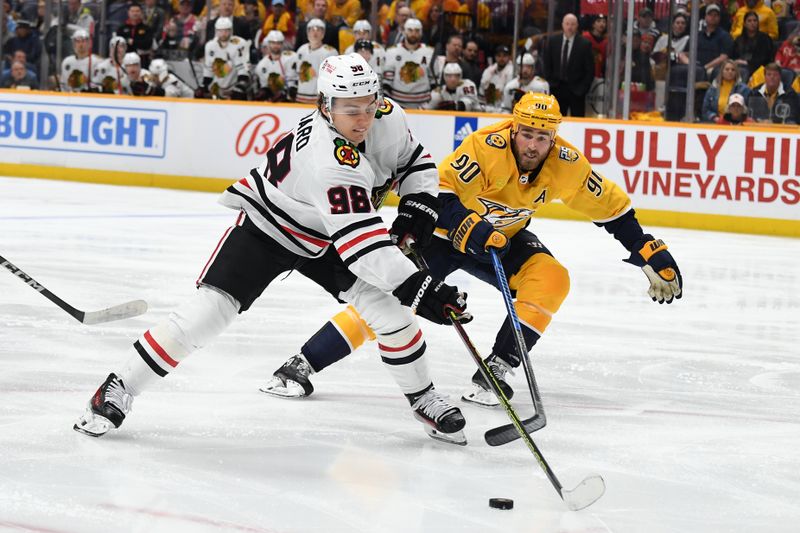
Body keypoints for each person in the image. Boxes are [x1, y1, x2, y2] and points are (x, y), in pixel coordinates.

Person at [73, 53, 470, 446]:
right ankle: (116, 387)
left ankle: (423, 397)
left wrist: (419, 205)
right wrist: (423, 288)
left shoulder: (388, 117)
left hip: (328, 232)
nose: (363, 119)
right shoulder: (328, 159)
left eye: (369, 106)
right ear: (325, 106)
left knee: (389, 312)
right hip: (271, 227)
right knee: (208, 314)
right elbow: (363, 248)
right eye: (351, 110)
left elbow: (415, 162)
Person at [261, 92, 683, 408]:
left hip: (504, 238)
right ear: (514, 129)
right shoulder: (485, 148)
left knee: (552, 278)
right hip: (445, 234)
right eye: (528, 134)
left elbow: (611, 207)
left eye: (544, 137)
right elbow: (435, 192)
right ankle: (305, 361)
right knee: (391, 297)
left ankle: (496, 367)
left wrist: (646, 246)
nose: (534, 145)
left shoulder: (567, 165)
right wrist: (468, 226)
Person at [543, 13, 594, 116]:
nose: (570, 27)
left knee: (578, 120)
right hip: (556, 88)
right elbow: (547, 64)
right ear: (562, 25)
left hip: (576, 90)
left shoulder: (584, 44)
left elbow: (590, 71)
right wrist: (551, 83)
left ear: (577, 25)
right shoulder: (553, 41)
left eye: (573, 24)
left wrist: (582, 89)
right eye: (567, 24)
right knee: (555, 120)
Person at [383, 18, 435, 108]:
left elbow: (434, 82)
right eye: (410, 30)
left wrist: (429, 104)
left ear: (421, 32)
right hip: (397, 104)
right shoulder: (391, 51)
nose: (413, 34)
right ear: (404, 31)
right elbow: (387, 82)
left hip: (423, 104)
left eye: (417, 31)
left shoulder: (430, 52)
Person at [196, 17, 250, 100]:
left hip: (234, 86)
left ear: (231, 30)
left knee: (239, 95)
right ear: (216, 31)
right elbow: (208, 70)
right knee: (198, 94)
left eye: (226, 30)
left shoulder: (240, 43)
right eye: (220, 31)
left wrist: (240, 85)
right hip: (217, 87)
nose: (223, 34)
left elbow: (243, 69)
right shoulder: (210, 46)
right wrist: (204, 86)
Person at [295, 18, 337, 104]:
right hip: (300, 97)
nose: (315, 33)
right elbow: (298, 72)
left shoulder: (330, 52)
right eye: (312, 29)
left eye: (319, 30)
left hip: (320, 100)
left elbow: (333, 78)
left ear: (323, 33)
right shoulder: (301, 50)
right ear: (307, 32)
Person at [253, 30, 298, 101]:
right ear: (268, 44)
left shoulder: (292, 57)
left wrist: (286, 93)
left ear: (282, 44)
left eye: (278, 43)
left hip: (290, 100)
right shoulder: (261, 65)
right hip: (272, 102)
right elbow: (264, 86)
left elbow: (293, 83)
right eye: (273, 43)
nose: (276, 46)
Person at [731, 11, 774, 80]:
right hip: (739, 67)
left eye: (755, 20)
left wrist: (746, 62)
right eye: (749, 21)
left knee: (744, 71)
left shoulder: (765, 38)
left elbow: (765, 59)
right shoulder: (739, 39)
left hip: (759, 69)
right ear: (744, 24)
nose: (752, 23)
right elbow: (733, 56)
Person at [695, 4, 733, 78]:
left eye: (716, 15)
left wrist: (705, 67)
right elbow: (685, 54)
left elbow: (723, 58)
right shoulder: (698, 35)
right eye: (710, 14)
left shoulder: (725, 36)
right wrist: (691, 65)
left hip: (713, 69)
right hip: (696, 68)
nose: (713, 17)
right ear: (705, 17)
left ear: (719, 18)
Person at [480, 44, 514, 112]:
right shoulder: (488, 71)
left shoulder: (513, 71)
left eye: (504, 56)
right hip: (489, 108)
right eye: (499, 56)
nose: (501, 58)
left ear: (509, 57)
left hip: (506, 110)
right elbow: (482, 92)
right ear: (495, 57)